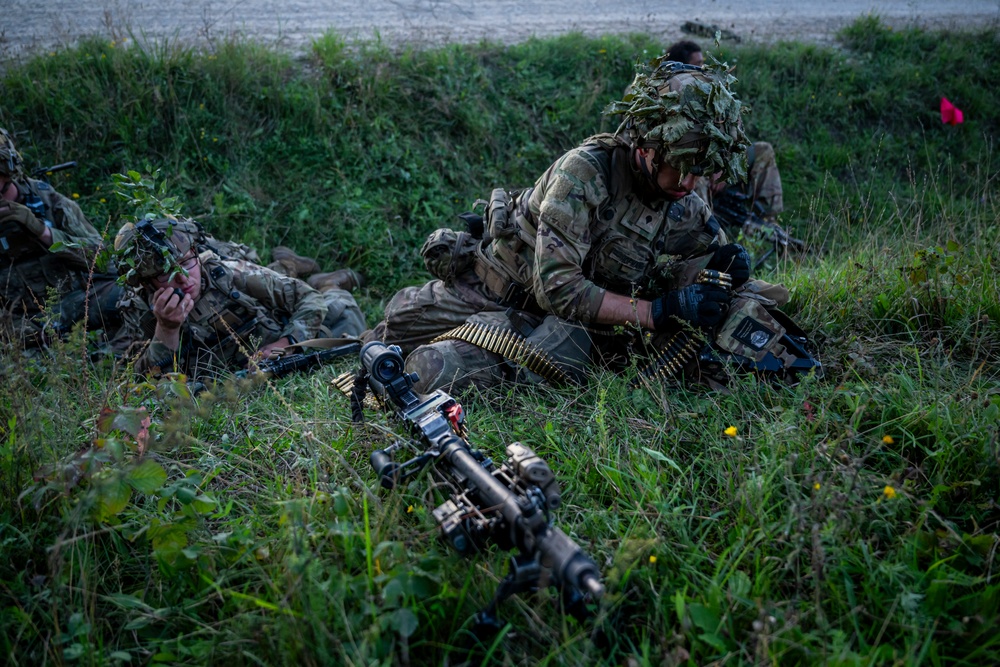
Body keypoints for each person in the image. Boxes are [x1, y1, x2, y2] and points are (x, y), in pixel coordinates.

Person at [365, 56, 755, 394]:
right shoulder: (585, 173)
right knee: (390, 341)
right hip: (491, 289)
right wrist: (657, 311)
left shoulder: (682, 196)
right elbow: (557, 288)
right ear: (646, 145)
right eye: (680, 169)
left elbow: (707, 247)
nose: (689, 185)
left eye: (699, 172)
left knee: (444, 369)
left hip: (547, 323)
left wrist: (724, 263)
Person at [112, 217, 366, 379]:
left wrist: (285, 343)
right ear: (146, 283)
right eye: (165, 274)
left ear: (195, 252)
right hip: (236, 374)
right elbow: (146, 380)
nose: (182, 279)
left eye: (186, 263)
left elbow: (308, 299)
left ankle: (327, 282)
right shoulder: (141, 311)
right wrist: (166, 329)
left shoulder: (228, 273)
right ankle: (287, 265)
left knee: (344, 313)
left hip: (276, 337)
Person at [0, 127, 123, 348]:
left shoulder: (48, 201)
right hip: (22, 326)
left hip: (76, 303)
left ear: (9, 173)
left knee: (126, 299)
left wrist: (43, 232)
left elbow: (103, 260)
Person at [662, 39, 783, 220]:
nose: (703, 68)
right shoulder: (665, 91)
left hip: (718, 162)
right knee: (695, 176)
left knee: (763, 151)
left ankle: (767, 221)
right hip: (687, 166)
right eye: (698, 64)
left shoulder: (709, 89)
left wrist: (723, 167)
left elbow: (733, 134)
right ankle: (704, 230)